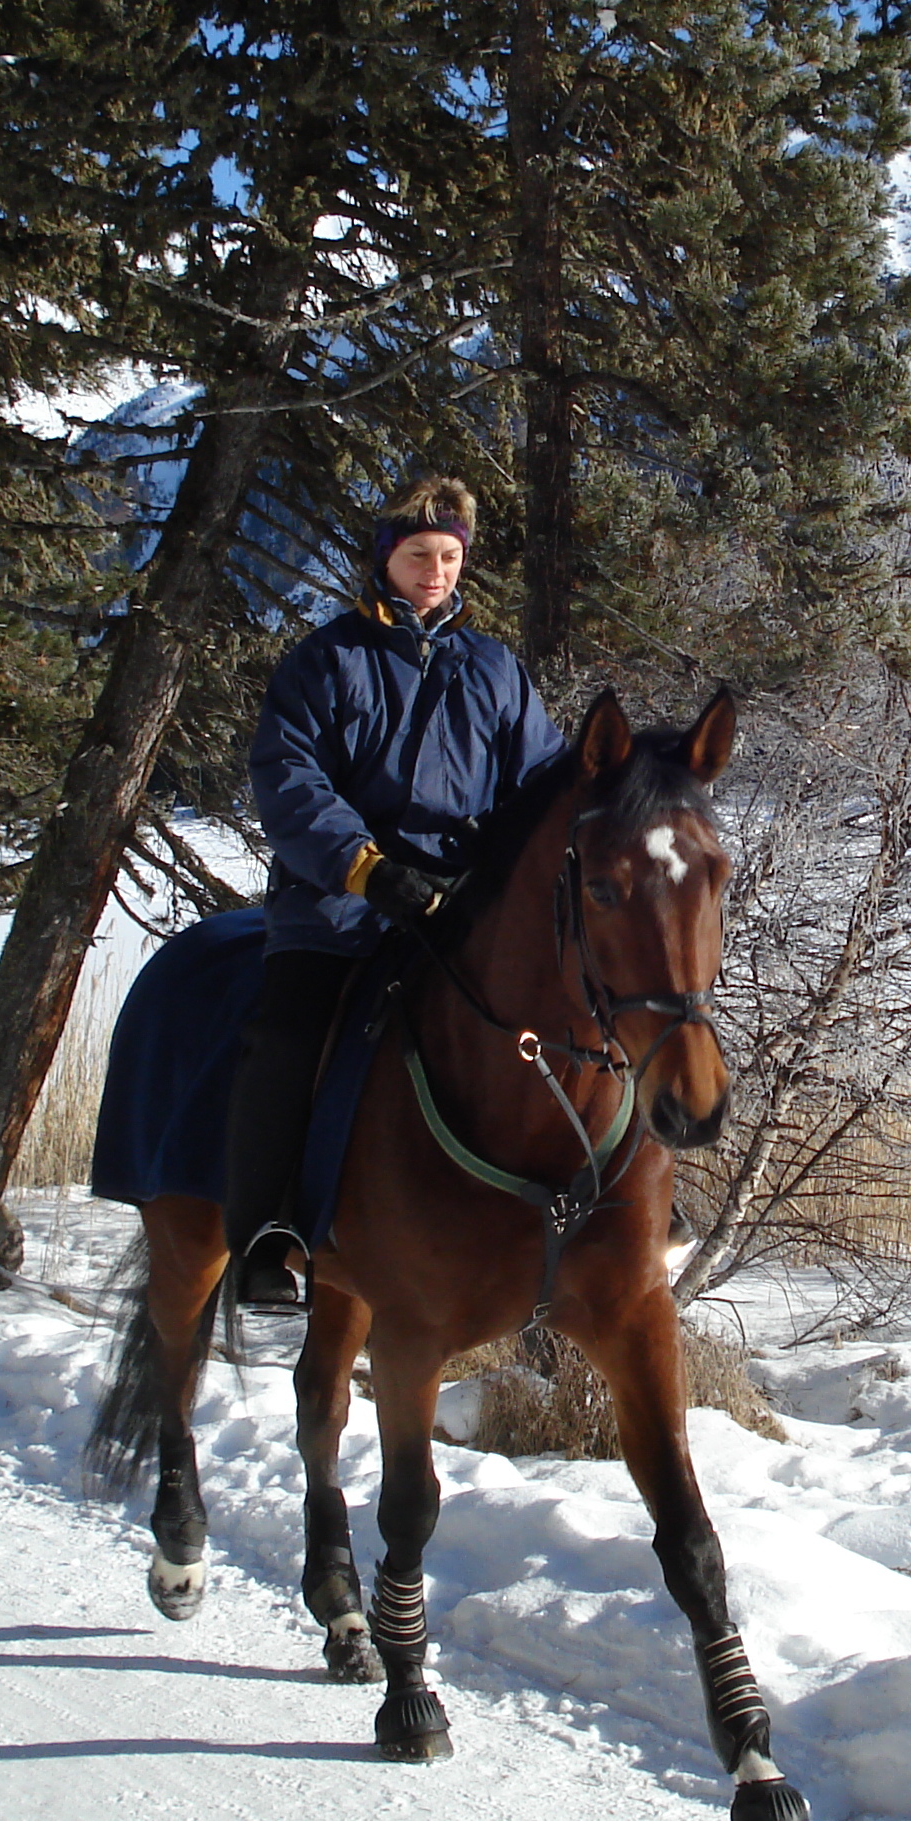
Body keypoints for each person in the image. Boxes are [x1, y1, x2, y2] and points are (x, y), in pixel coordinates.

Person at [223, 477, 565, 1307]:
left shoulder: (493, 669)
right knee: (287, 1036)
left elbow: (543, 779)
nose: (436, 572)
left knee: (566, 1016)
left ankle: (593, 1200)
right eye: (420, 556)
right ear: (385, 558)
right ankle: (266, 1232)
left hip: (457, 909)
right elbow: (288, 778)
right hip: (338, 906)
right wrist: (369, 869)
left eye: (450, 557)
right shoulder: (325, 661)